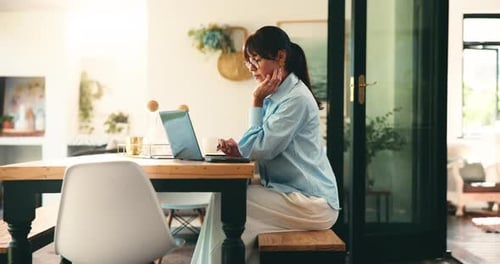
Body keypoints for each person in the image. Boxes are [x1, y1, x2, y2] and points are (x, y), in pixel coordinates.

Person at [190, 25, 340, 264]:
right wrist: (240, 150)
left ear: (280, 57)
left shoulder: (295, 99)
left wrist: (256, 100)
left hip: (312, 202)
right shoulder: (279, 96)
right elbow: (258, 144)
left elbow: (261, 148)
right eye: (248, 62)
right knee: (226, 202)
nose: (250, 68)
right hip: (288, 193)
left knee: (230, 203)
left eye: (256, 60)